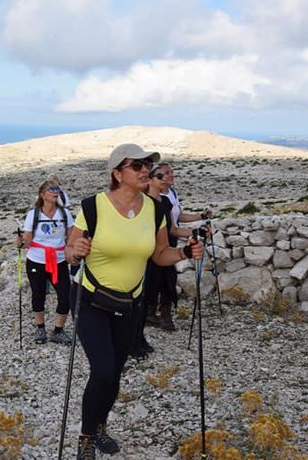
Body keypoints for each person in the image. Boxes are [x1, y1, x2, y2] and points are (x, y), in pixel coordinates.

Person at [67, 144, 203, 459]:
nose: (145, 170)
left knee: (115, 371)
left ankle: (100, 426)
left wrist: (184, 252)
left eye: (147, 165)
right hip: (90, 298)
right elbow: (70, 250)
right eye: (137, 165)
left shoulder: (155, 210)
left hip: (129, 302)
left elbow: (160, 254)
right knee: (102, 369)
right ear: (117, 173)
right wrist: (76, 252)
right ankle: (86, 438)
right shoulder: (93, 206)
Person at [17, 178, 74, 345]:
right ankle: (40, 328)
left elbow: (71, 238)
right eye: (52, 189)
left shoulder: (65, 214)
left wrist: (73, 255)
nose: (56, 192)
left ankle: (58, 330)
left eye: (57, 189)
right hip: (36, 260)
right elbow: (27, 241)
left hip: (59, 260)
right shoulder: (33, 214)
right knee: (38, 294)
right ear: (42, 194)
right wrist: (20, 243)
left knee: (65, 296)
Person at [144, 164, 195, 332]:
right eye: (160, 176)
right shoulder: (142, 202)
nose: (165, 178)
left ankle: (165, 315)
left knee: (168, 280)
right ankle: (149, 313)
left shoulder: (165, 202)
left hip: (167, 248)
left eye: (166, 175)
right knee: (152, 282)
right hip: (149, 250)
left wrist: (195, 232)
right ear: (149, 180)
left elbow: (172, 229)